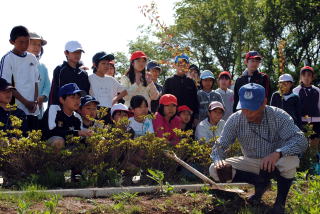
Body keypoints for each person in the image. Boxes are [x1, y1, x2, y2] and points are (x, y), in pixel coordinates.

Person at [209, 83, 307, 213]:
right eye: (244, 108)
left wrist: (278, 153)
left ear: (264, 102)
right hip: (252, 163)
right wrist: (218, 160)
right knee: (214, 169)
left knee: (291, 161)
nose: (247, 113)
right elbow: (220, 146)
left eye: (252, 108)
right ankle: (249, 191)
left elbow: (301, 140)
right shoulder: (235, 119)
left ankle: (280, 203)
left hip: (275, 163)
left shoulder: (279, 116)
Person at [0, 25, 40, 130]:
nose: (25, 45)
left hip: (32, 109)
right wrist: (26, 102)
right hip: (16, 110)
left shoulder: (32, 58)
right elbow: (6, 86)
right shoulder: (8, 59)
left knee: (33, 141)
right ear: (11, 42)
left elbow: (35, 82)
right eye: (21, 42)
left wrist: (34, 102)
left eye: (27, 41)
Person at [42, 83, 93, 151]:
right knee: (58, 141)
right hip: (46, 148)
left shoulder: (77, 117)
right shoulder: (54, 109)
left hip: (69, 148)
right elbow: (52, 132)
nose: (77, 101)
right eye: (72, 97)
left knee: (94, 140)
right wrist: (77, 132)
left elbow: (79, 138)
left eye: (78, 98)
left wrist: (89, 135)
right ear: (62, 100)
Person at [49, 41, 90, 106]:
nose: (77, 55)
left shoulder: (84, 73)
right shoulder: (59, 70)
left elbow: (86, 94)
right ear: (66, 53)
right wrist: (52, 108)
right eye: (74, 52)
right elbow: (54, 92)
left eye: (79, 52)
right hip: (62, 110)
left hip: (80, 111)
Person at [162, 54, 199, 126]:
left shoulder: (191, 82)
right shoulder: (169, 81)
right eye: (180, 64)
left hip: (189, 120)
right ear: (175, 65)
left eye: (185, 64)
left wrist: (196, 117)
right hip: (172, 119)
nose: (182, 66)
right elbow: (163, 102)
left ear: (188, 66)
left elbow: (195, 102)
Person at [27, 32, 51, 119]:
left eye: (39, 45)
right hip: (20, 109)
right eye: (33, 44)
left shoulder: (42, 67)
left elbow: (47, 86)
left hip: (38, 111)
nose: (37, 47)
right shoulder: (17, 64)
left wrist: (42, 97)